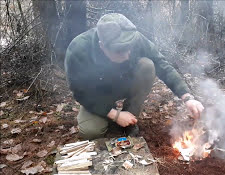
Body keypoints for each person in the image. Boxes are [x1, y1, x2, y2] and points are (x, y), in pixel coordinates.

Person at [65, 13, 204, 140]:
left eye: (129, 49)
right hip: (97, 94)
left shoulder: (134, 38)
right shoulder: (79, 50)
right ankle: (108, 115)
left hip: (123, 83)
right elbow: (81, 93)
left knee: (147, 65)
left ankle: (129, 119)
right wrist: (114, 115)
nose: (127, 56)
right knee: (91, 132)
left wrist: (187, 97)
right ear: (102, 46)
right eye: (120, 52)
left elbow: (161, 64)